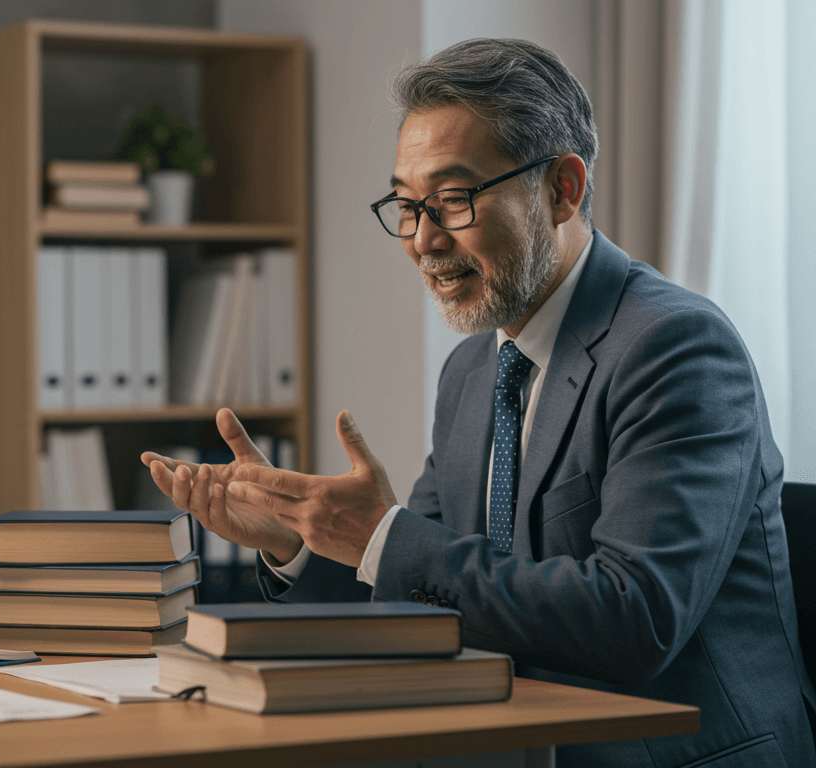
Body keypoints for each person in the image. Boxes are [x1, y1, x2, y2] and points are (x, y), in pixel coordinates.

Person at [142, 39, 815, 767]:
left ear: (563, 188)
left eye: (454, 199)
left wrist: (381, 535)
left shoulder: (677, 347)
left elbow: (635, 619)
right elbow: (425, 593)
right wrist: (298, 539)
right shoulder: (472, 370)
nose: (424, 239)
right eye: (406, 204)